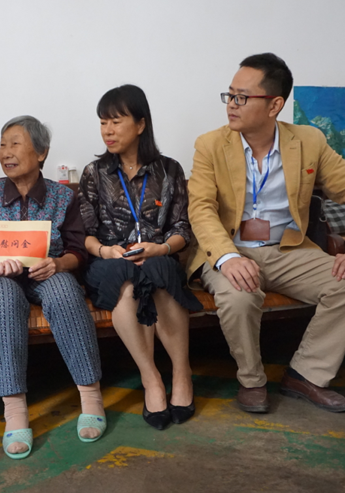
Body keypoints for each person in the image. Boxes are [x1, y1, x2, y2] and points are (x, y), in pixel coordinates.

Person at [187, 53, 345, 414]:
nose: (231, 104)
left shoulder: (309, 142)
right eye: (230, 95)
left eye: (242, 97)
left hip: (288, 250)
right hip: (231, 249)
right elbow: (200, 207)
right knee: (239, 297)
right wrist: (228, 257)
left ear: (274, 105)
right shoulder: (210, 145)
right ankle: (252, 380)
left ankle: (306, 375)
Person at [0, 115, 105, 460]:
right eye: (2, 144)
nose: (6, 152)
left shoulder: (62, 196)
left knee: (64, 290)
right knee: (4, 296)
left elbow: (77, 251)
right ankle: (14, 411)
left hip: (47, 272)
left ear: (41, 152)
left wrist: (58, 264)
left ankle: (91, 397)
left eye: (15, 144)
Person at [79, 85, 202, 431]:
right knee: (125, 278)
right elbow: (83, 234)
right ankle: (151, 379)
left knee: (159, 271)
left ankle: (181, 373)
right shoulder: (94, 173)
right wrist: (106, 251)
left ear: (141, 124)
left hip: (158, 256)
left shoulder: (169, 170)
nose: (107, 130)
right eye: (103, 122)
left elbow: (182, 229)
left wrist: (160, 248)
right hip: (109, 260)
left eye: (116, 121)